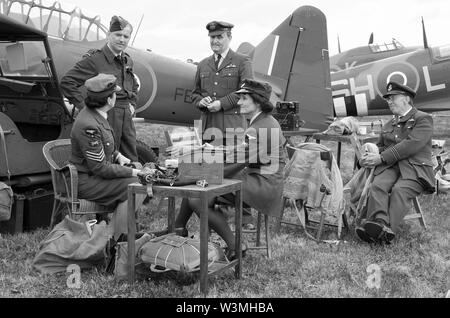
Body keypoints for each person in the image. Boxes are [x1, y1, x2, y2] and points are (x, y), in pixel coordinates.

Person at [175, 79, 286, 260]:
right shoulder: (264, 121)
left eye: (243, 98)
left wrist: (197, 171)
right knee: (197, 189)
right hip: (260, 179)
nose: (238, 102)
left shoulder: (260, 127)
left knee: (197, 198)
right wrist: (215, 151)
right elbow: (242, 152)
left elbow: (236, 163)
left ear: (257, 101)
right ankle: (178, 229)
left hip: (262, 185)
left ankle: (236, 245)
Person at [356, 81, 435, 244]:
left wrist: (381, 158)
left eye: (393, 98)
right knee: (377, 185)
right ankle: (379, 224)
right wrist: (367, 156)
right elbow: (380, 146)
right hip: (391, 168)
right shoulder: (390, 123)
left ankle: (383, 232)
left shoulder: (422, 119)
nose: (389, 101)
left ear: (406, 99)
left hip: (415, 170)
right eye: (388, 99)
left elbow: (410, 145)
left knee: (399, 191)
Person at [70, 73, 144, 240]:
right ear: (110, 100)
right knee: (137, 185)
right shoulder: (89, 124)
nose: (116, 97)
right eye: (115, 94)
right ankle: (114, 237)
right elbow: (100, 167)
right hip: (86, 181)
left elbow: (103, 145)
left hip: (92, 175)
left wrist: (118, 156)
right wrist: (133, 173)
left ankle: (113, 232)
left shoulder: (94, 114)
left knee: (137, 180)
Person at [61, 15, 139, 162]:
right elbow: (67, 82)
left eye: (126, 36)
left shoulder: (127, 60)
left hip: (126, 115)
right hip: (107, 113)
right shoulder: (94, 60)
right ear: (108, 35)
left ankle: (132, 183)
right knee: (108, 156)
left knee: (130, 156)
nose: (122, 39)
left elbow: (133, 84)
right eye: (117, 35)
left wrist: (132, 104)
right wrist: (86, 108)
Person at [192, 20, 253, 147]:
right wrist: (200, 102)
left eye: (220, 37)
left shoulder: (242, 61)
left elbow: (247, 91)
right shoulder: (203, 64)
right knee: (209, 165)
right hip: (207, 129)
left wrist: (221, 103)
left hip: (232, 129)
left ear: (229, 37)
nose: (215, 41)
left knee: (231, 165)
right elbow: (195, 94)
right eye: (212, 37)